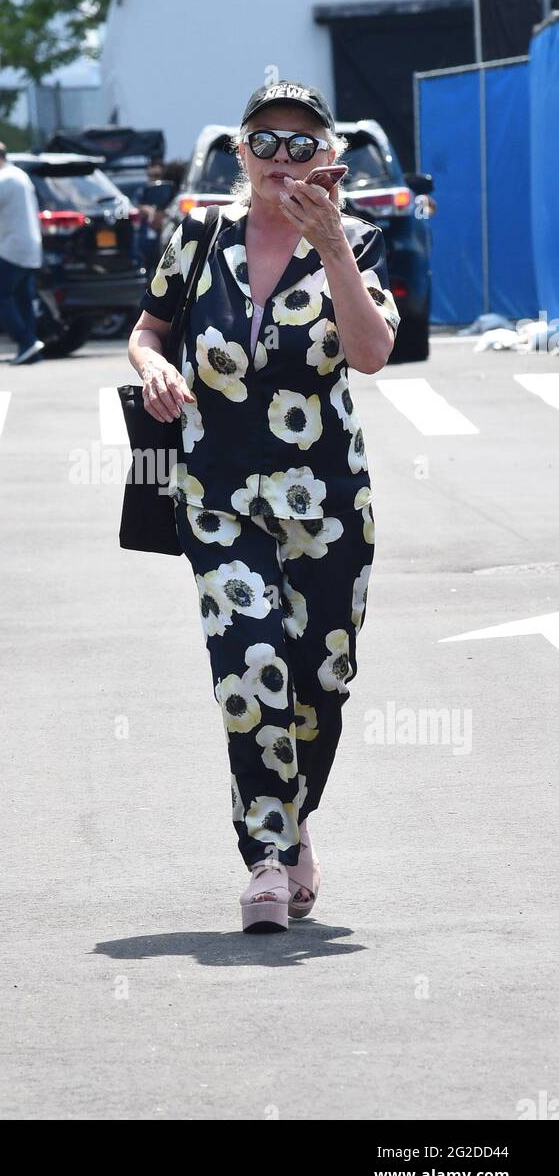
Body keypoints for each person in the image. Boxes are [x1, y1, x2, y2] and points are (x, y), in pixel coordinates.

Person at [126, 80, 401, 934]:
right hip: (217, 496)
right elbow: (147, 330)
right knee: (250, 668)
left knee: (320, 679)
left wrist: (335, 250)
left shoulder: (357, 241)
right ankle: (267, 861)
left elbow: (371, 354)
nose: (281, 158)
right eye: (264, 142)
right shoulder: (198, 237)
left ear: (329, 157)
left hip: (327, 500)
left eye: (299, 142)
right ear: (238, 154)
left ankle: (295, 822)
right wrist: (154, 369)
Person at [0, 140, 45, 365]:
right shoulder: (19, 175)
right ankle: (31, 348)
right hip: (26, 247)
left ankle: (26, 340)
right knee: (23, 298)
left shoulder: (4, 178)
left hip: (12, 248)